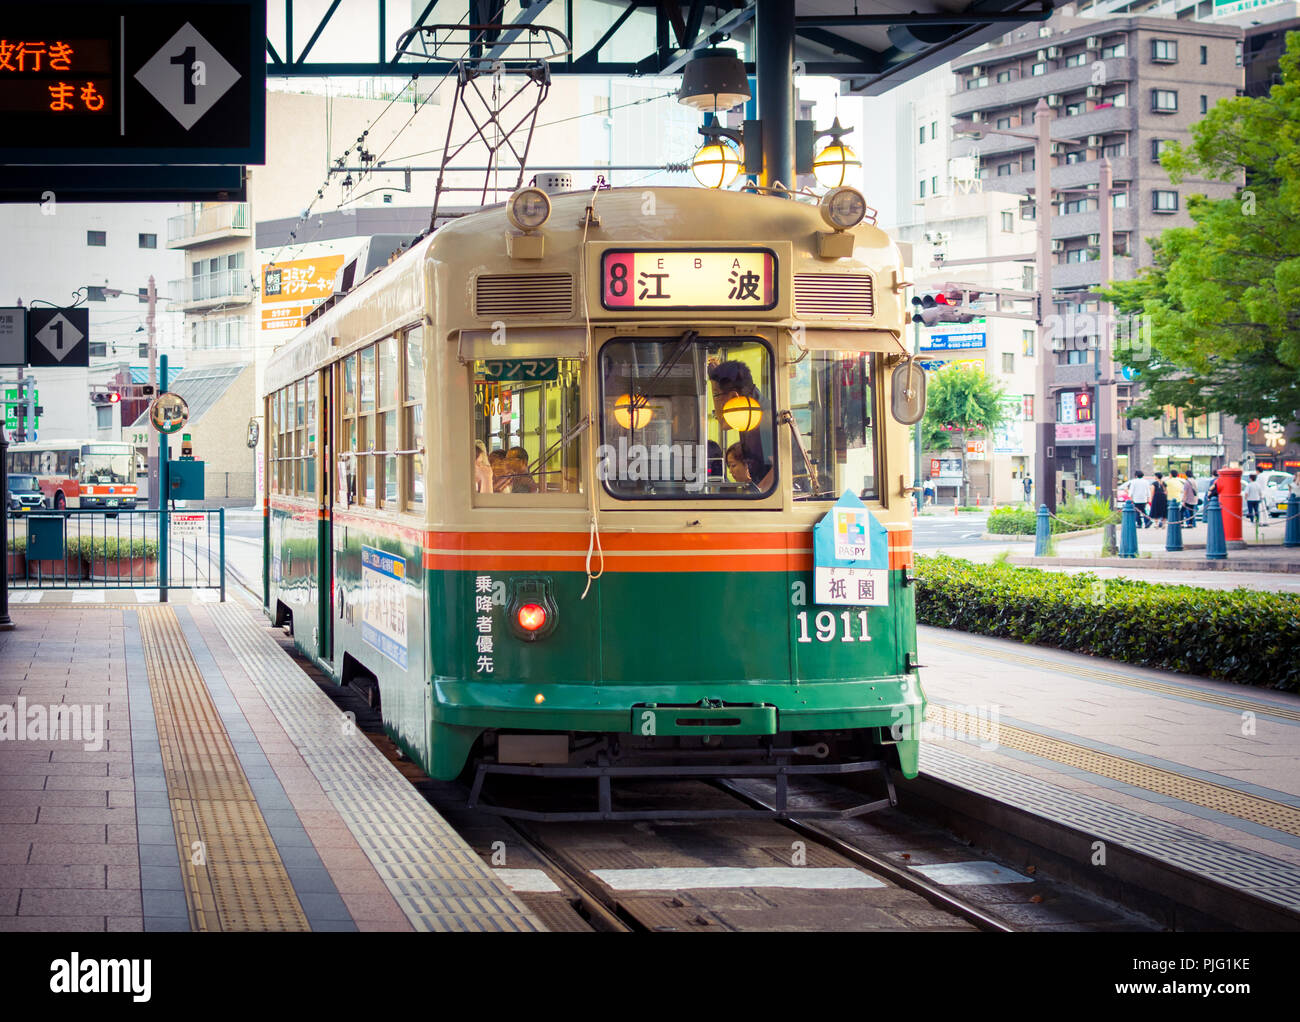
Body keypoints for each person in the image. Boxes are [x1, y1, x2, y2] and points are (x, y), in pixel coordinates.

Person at [708, 360, 773, 491]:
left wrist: (756, 498)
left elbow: (782, 469)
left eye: (715, 395)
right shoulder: (749, 403)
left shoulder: (764, 419)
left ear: (733, 396)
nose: (716, 404)